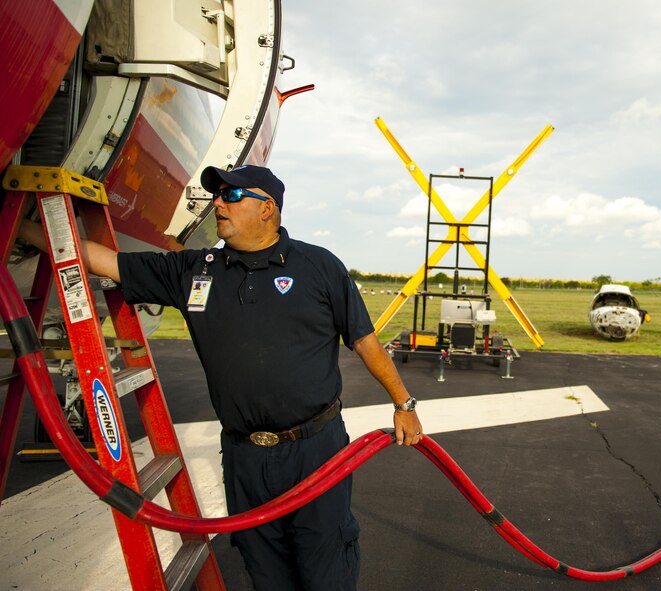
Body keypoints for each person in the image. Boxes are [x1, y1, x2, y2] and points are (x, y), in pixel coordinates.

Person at [19, 165, 423, 591]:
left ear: (267, 208)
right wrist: (24, 229)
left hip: (315, 449)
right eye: (217, 196)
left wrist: (404, 404)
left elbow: (365, 342)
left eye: (230, 196)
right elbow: (101, 259)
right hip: (244, 455)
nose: (217, 204)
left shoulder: (319, 266)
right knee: (264, 568)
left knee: (325, 566)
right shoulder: (195, 270)